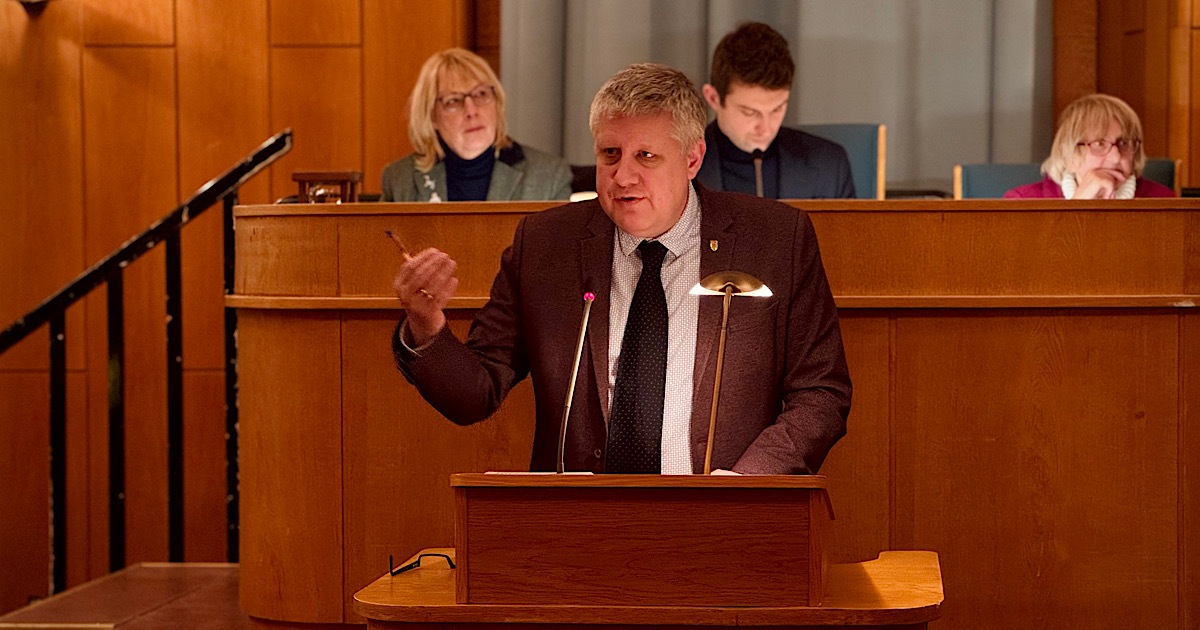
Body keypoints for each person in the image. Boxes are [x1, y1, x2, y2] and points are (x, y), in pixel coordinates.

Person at [391, 63, 850, 475]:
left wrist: (745, 484)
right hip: (583, 527)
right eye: (610, 154)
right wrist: (427, 329)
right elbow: (476, 393)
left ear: (692, 158)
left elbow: (821, 393)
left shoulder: (773, 239)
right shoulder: (546, 246)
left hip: (725, 523)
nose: (623, 177)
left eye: (645, 157)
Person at [381, 48, 573, 202]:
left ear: (497, 102)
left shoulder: (549, 176)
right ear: (431, 116)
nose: (471, 111)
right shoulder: (400, 180)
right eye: (453, 101)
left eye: (481, 94)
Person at [696, 22, 855, 199]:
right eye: (750, 112)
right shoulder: (679, 166)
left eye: (777, 109)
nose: (766, 129)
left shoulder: (830, 165)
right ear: (713, 98)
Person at [1004, 93, 1174, 199]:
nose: (1116, 158)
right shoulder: (1022, 202)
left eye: (1124, 143)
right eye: (1099, 143)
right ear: (1067, 154)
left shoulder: (1164, 202)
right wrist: (1080, 202)